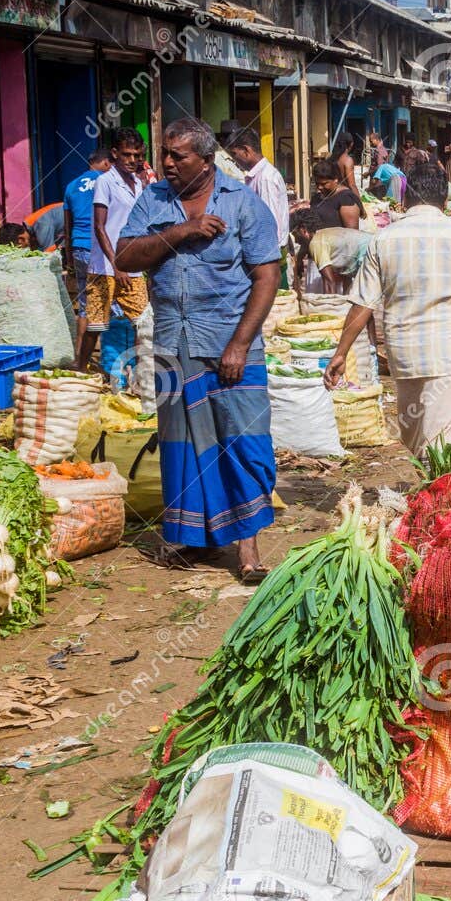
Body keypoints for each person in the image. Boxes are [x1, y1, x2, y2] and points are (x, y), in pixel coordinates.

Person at [116, 118, 281, 582]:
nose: (167, 163)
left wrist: (239, 344)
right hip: (172, 341)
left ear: (207, 161)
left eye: (178, 156)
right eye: (165, 154)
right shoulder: (153, 200)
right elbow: (125, 257)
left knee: (242, 440)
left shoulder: (244, 204)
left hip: (229, 341)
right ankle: (194, 540)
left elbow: (266, 278)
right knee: (182, 444)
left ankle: (248, 550)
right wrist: (182, 232)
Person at [325, 159, 451, 454]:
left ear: (405, 198)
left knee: (415, 434)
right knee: (439, 442)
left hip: (403, 355)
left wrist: (340, 353)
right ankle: (435, 492)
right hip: (447, 354)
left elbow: (363, 303)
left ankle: (430, 491)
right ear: (444, 200)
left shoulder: (382, 240)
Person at [75, 126, 152, 373]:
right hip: (104, 267)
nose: (132, 160)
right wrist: (116, 264)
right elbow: (100, 227)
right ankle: (81, 368)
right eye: (128, 155)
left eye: (137, 155)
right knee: (96, 326)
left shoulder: (139, 184)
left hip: (133, 268)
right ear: (115, 153)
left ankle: (143, 373)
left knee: (143, 323)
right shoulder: (105, 182)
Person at [62, 147, 111, 343]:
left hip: (78, 248)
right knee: (110, 303)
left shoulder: (71, 186)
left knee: (84, 306)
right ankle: (112, 361)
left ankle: (79, 359)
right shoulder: (107, 182)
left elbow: (67, 227)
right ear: (107, 163)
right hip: (101, 249)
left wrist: (69, 258)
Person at [224, 128, 290, 252]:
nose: (233, 160)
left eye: (234, 154)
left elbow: (270, 220)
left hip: (269, 251)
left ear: (246, 150)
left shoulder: (265, 178)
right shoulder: (257, 176)